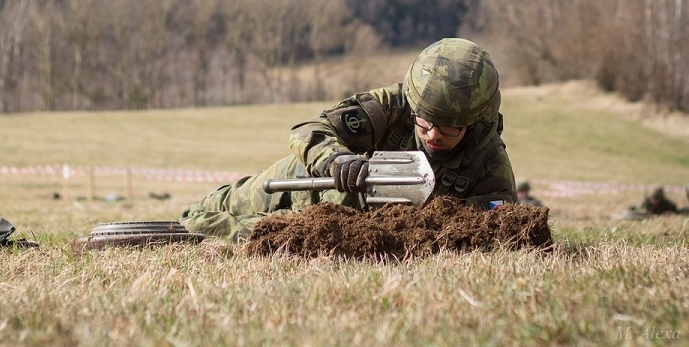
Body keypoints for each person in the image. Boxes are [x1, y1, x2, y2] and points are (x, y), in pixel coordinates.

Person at [180, 38, 517, 242]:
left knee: (216, 232)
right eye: (424, 123)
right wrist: (337, 159)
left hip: (337, 222)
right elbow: (308, 130)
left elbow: (503, 225)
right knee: (213, 207)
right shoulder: (391, 106)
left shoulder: (490, 164)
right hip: (303, 180)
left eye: (448, 129)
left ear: (475, 123)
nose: (432, 135)